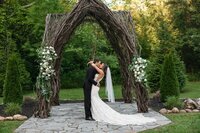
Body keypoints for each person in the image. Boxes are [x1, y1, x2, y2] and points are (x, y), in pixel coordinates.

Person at [88, 61, 156, 125]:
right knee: (94, 99)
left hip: (94, 88)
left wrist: (93, 65)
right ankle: (93, 111)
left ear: (104, 67)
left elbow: (96, 71)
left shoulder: (102, 72)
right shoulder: (100, 71)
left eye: (101, 64)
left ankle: (97, 112)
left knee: (94, 99)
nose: (100, 64)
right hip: (94, 87)